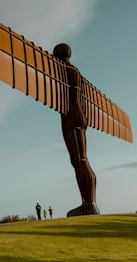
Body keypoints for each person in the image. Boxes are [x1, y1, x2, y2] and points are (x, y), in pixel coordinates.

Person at [53, 43, 100, 217]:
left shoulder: (60, 68)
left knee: (78, 160)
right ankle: (90, 203)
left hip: (71, 115)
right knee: (82, 159)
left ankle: (88, 204)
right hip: (82, 116)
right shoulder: (76, 72)